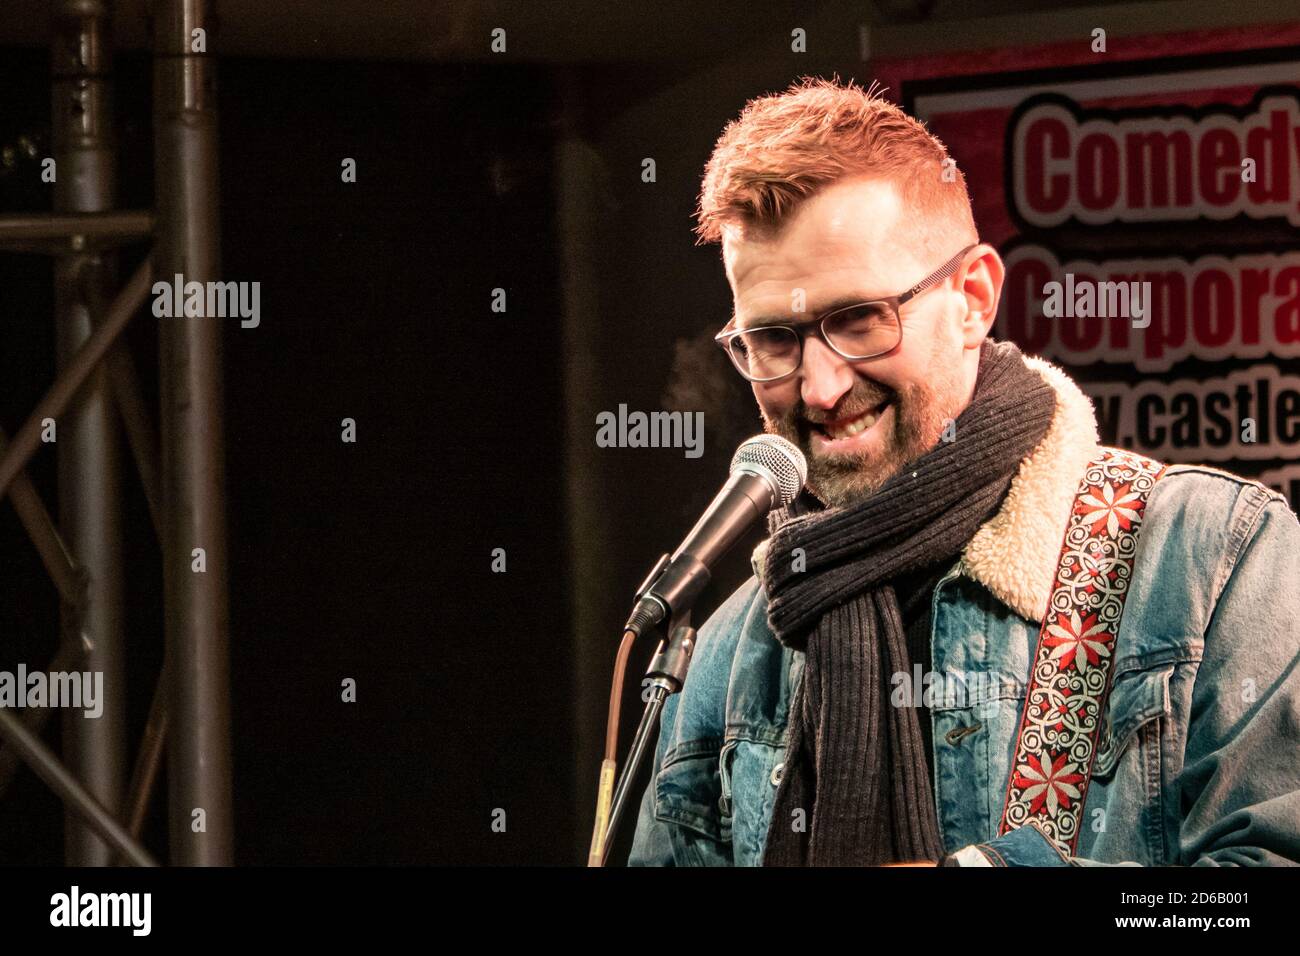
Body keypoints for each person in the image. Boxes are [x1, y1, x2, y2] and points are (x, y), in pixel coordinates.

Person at [627, 76, 1300, 867]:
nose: (819, 387)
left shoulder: (1218, 553)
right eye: (775, 339)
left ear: (974, 297)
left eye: (857, 320)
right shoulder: (730, 646)